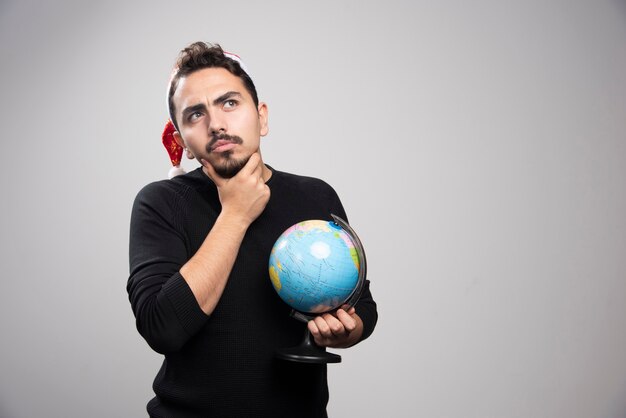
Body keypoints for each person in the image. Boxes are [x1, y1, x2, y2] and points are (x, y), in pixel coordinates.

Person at [127, 41, 378, 418]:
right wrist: (236, 214)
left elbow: (363, 306)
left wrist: (349, 330)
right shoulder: (161, 202)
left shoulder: (314, 195)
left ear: (261, 117)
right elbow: (162, 327)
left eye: (230, 103)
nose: (217, 124)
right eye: (196, 114)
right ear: (182, 143)